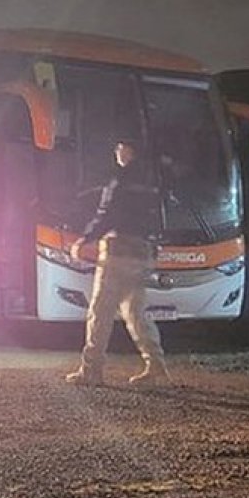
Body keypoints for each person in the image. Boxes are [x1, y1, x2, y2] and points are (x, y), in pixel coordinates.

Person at [66, 139, 170, 387]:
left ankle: (91, 370)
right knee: (135, 313)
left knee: (100, 311)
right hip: (143, 252)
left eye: (120, 148)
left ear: (129, 151)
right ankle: (156, 367)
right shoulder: (154, 182)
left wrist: (85, 239)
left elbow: (107, 213)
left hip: (118, 252)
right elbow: (161, 219)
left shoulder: (120, 180)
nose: (117, 152)